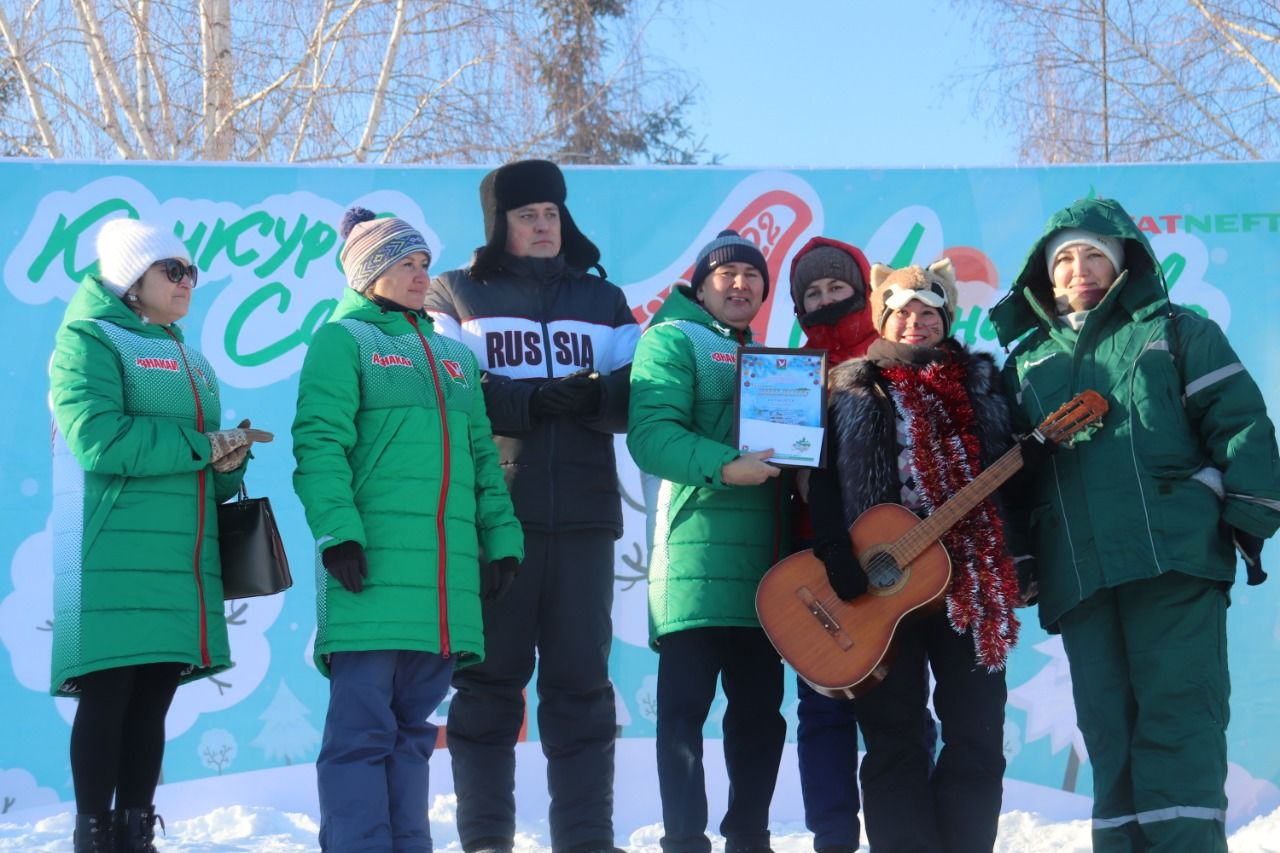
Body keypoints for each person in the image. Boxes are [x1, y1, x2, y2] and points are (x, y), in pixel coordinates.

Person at [990, 196, 1280, 852]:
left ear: (1124, 261)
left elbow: (1242, 426)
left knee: (1179, 724)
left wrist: (1235, 516)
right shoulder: (1025, 364)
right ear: (1046, 274)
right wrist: (1025, 560)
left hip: (1171, 560)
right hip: (1081, 574)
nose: (1078, 270)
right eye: (1063, 258)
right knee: (1108, 734)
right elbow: (1009, 479)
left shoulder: (1178, 331)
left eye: (1095, 253)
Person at [292, 207, 524, 853]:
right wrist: (338, 532)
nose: (422, 275)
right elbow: (319, 444)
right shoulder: (343, 341)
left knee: (413, 733)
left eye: (423, 262)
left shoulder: (454, 357)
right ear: (369, 274)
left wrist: (500, 539)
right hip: (372, 576)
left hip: (443, 591)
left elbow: (484, 459)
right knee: (360, 735)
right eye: (405, 264)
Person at [424, 159, 638, 853]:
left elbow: (644, 386)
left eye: (551, 212)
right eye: (527, 215)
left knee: (581, 690)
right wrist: (527, 401)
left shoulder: (604, 301)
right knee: (486, 688)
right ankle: (486, 840)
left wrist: (597, 398)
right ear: (499, 224)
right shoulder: (454, 293)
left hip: (583, 520)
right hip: (494, 522)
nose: (543, 225)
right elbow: (448, 390)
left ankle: (587, 841)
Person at [49, 217, 273, 853]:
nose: (186, 282)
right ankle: (93, 834)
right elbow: (98, 438)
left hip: (183, 551)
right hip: (111, 548)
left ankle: (136, 831)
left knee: (152, 698)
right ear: (130, 280)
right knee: (111, 689)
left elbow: (199, 465)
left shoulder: (188, 354)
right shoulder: (87, 339)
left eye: (191, 272)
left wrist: (228, 464)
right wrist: (203, 446)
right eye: (171, 271)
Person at [805, 259, 1020, 853]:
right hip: (881, 592)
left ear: (946, 317)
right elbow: (817, 478)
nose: (915, 322)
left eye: (928, 311)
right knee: (893, 739)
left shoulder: (985, 384)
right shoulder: (848, 385)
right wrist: (833, 551)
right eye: (901, 311)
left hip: (971, 582)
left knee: (977, 737)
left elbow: (1015, 487)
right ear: (882, 318)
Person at [628, 229, 791, 853]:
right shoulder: (673, 339)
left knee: (760, 718)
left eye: (752, 276)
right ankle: (684, 841)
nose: (741, 284)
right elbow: (651, 435)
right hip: (692, 562)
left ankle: (749, 838)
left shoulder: (774, 360)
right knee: (683, 719)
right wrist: (728, 466)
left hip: (767, 572)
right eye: (726, 274)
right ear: (700, 285)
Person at [786, 237, 877, 853]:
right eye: (811, 293)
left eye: (835, 288)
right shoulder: (786, 370)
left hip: (890, 564)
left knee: (894, 713)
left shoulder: (891, 354)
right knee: (822, 716)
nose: (824, 300)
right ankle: (833, 839)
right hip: (811, 565)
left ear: (862, 291)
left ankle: (902, 834)